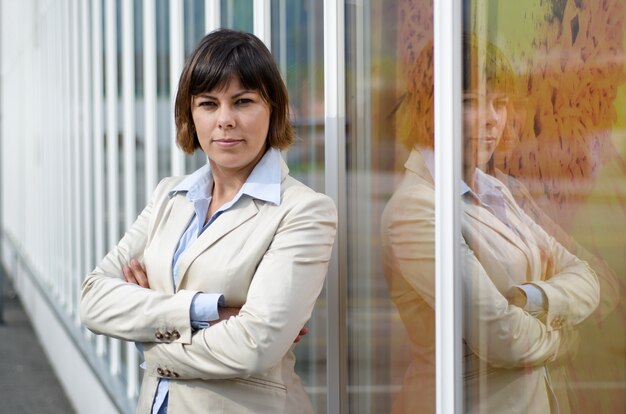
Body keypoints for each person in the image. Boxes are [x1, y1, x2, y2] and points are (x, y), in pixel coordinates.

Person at [80, 29, 337, 413]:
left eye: (243, 101)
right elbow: (93, 301)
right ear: (190, 114)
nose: (225, 120)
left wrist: (146, 336)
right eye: (208, 104)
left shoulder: (303, 211)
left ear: (274, 110)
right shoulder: (170, 197)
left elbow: (254, 346)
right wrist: (203, 311)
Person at [381, 35, 601, 413]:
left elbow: (586, 276)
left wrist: (533, 297)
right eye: (470, 103)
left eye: (498, 103)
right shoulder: (415, 209)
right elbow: (499, 337)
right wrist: (563, 342)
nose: (491, 119)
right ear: (429, 107)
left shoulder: (493, 188)